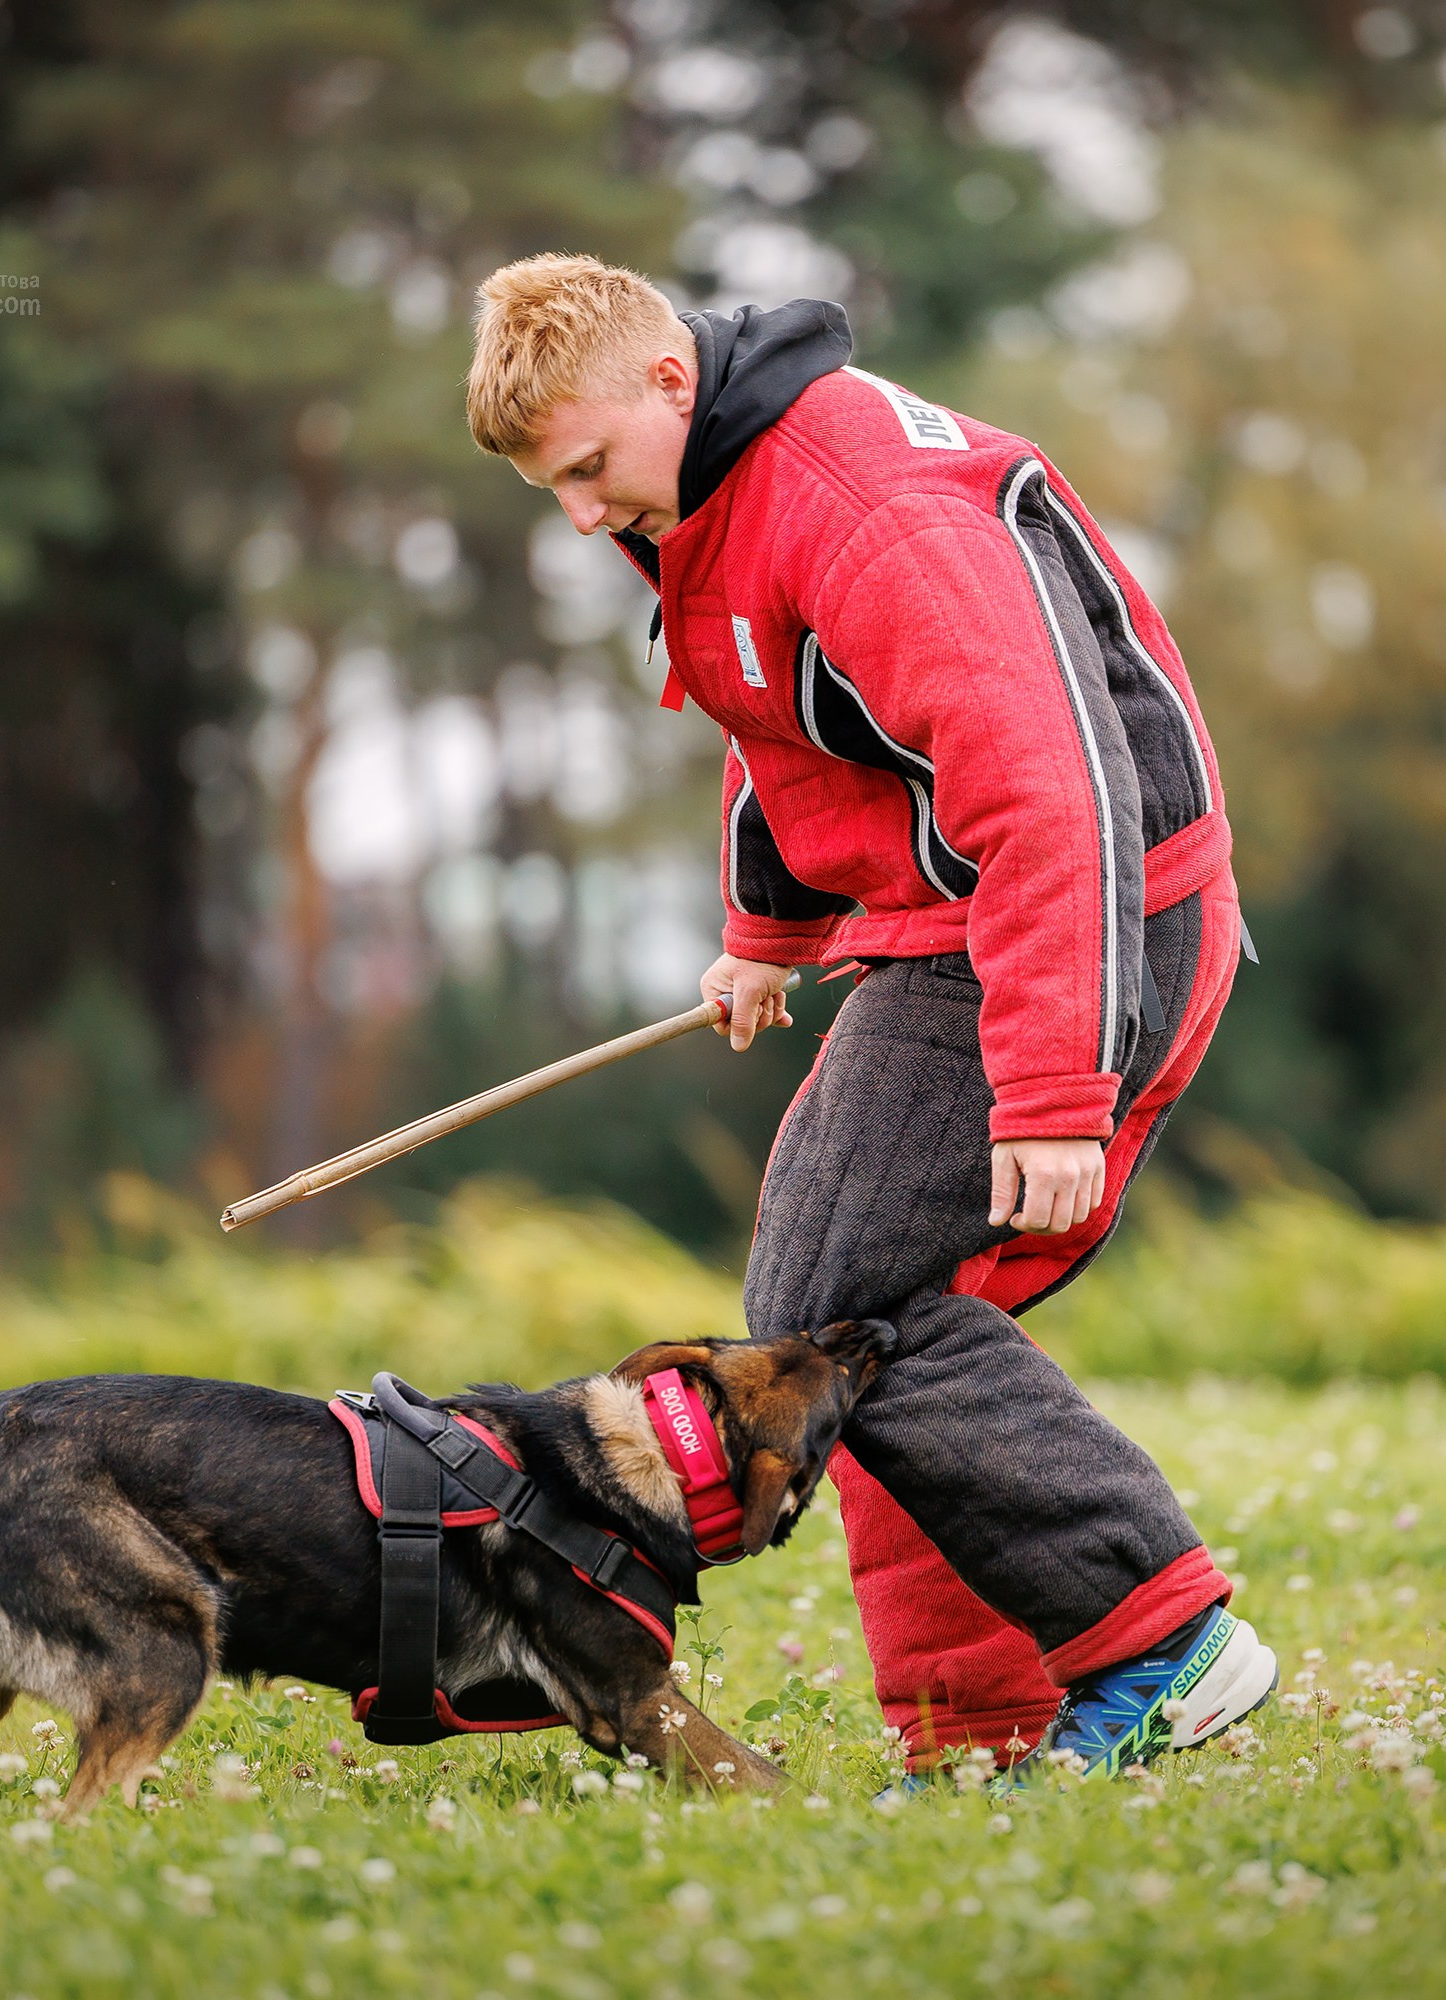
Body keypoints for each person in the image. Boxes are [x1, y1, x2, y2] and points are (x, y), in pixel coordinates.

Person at [464, 252, 1276, 1779]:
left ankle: (1166, 1646)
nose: (579, 516)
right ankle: (981, 1732)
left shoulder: (862, 515)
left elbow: (1052, 796)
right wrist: (769, 932)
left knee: (839, 1314)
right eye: (548, 490)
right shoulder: (718, 487)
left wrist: (1052, 1087)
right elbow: (779, 713)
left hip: (1088, 918)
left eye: (586, 472)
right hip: (955, 926)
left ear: (666, 380)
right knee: (860, 1321)